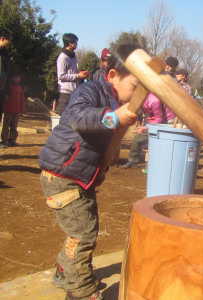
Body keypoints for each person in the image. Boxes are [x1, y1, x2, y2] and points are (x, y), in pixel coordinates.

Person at [39, 44, 139, 300]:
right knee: (83, 234)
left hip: (82, 178)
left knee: (84, 229)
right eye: (135, 86)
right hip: (63, 175)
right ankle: (81, 291)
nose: (137, 95)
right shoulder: (90, 91)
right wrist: (115, 118)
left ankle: (64, 271)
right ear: (113, 75)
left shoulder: (116, 100)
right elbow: (79, 118)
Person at [121, 92, 167, 168]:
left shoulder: (154, 100)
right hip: (150, 121)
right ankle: (137, 160)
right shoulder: (139, 98)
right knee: (141, 139)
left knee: (138, 139)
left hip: (161, 124)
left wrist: (145, 127)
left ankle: (134, 161)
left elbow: (159, 119)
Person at [56, 33, 89, 115]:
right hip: (65, 93)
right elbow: (61, 76)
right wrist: (78, 76)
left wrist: (80, 74)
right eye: (75, 42)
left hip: (74, 92)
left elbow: (72, 73)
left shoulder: (73, 56)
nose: (77, 44)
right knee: (62, 116)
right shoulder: (63, 57)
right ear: (70, 43)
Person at [0, 72, 25, 148]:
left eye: (18, 78)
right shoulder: (7, 87)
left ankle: (12, 140)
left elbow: (22, 99)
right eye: (16, 78)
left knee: (14, 126)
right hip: (8, 110)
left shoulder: (20, 87)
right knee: (6, 126)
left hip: (16, 111)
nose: (18, 79)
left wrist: (22, 109)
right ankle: (4, 141)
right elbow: (4, 99)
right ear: (12, 79)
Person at [0, 30, 11, 124]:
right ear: (2, 39)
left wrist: (7, 90)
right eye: (8, 41)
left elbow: (7, 72)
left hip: (2, 89)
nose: (9, 43)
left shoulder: (5, 53)